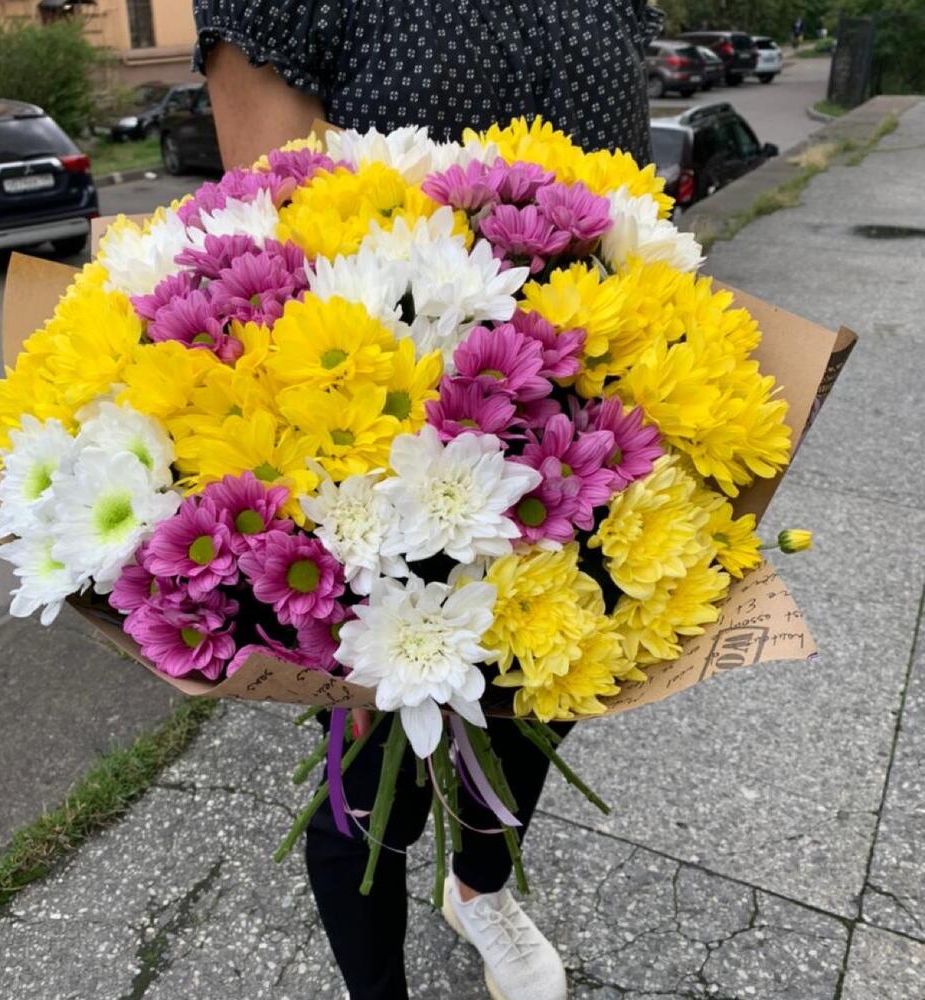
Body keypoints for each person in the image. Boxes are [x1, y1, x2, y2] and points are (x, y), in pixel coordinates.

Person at [192, 3, 660, 998]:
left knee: (541, 702)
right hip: (377, 465)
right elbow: (271, 227)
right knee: (370, 789)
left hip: (584, 441)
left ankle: (479, 890)